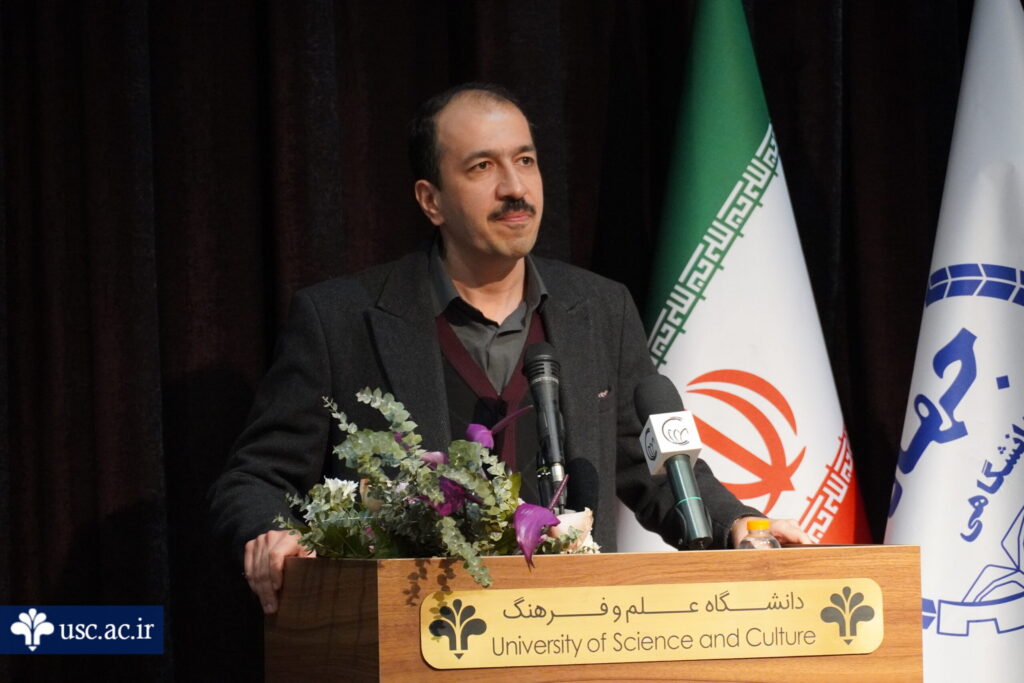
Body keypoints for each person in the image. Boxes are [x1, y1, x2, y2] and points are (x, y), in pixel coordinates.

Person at [209, 83, 812, 615]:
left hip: (575, 632)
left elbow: (653, 466)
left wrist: (739, 524)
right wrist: (270, 535)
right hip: (416, 631)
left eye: (525, 160)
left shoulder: (600, 309)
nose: (515, 188)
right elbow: (255, 477)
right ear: (431, 200)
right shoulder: (340, 320)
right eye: (482, 167)